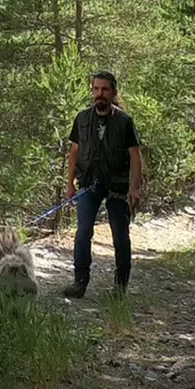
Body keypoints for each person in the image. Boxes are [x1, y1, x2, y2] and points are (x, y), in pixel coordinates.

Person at [62, 71, 144, 298]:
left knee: (120, 235)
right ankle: (80, 281)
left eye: (105, 89)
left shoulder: (125, 121)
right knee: (83, 232)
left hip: (117, 184)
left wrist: (134, 187)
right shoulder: (82, 119)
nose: (100, 94)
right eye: (96, 89)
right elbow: (74, 152)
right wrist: (69, 184)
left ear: (113, 92)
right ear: (92, 91)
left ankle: (120, 286)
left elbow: (135, 156)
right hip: (89, 182)